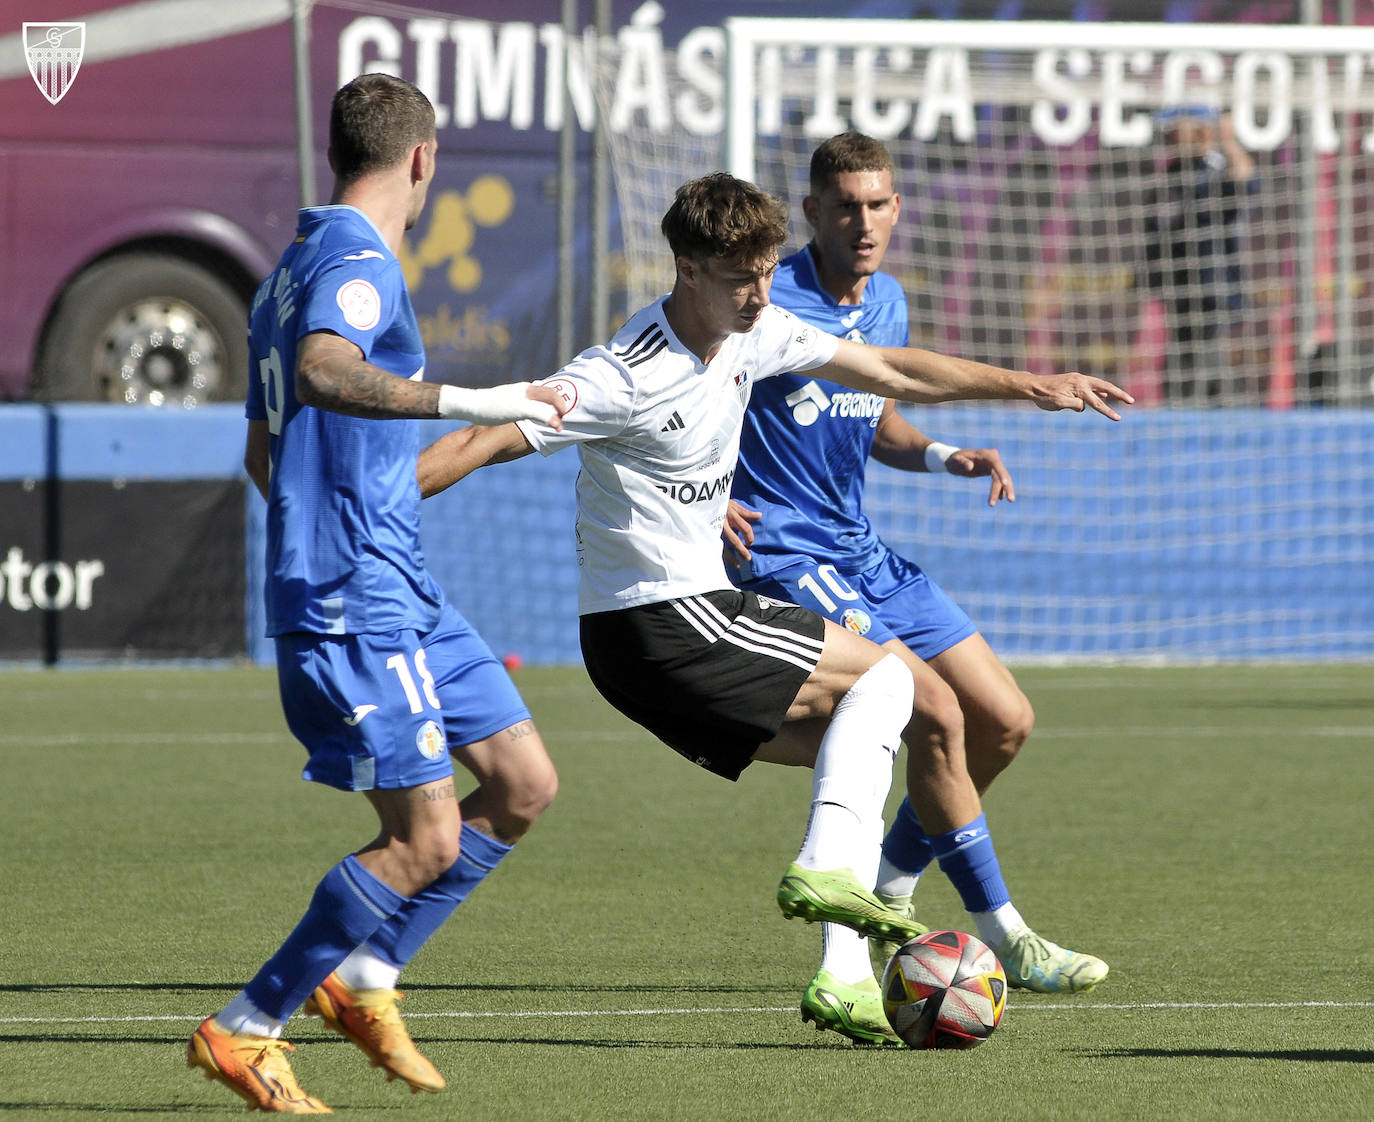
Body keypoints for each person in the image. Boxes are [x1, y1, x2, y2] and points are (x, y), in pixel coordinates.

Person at [416, 171, 1130, 1049]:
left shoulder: (751, 334)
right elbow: (482, 436)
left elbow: (890, 369)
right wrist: (367, 514)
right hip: (666, 619)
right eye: (737, 277)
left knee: (873, 727)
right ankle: (840, 880)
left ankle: (842, 975)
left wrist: (1027, 386)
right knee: (898, 690)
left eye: (763, 272)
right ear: (684, 268)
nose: (759, 293)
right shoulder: (622, 373)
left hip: (653, 642)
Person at [186, 74, 570, 1114]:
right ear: (423, 159)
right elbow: (319, 372)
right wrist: (470, 400)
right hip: (357, 601)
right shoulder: (355, 260)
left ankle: (364, 977)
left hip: (402, 589)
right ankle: (247, 1025)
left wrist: (362, 505)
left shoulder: (289, 266)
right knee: (425, 841)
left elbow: (266, 449)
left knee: (524, 782)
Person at [722, 132, 1109, 1046]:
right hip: (787, 554)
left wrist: (941, 455)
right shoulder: (767, 300)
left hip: (864, 549)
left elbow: (875, 411)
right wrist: (704, 494)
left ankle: (891, 885)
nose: (864, 221)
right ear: (812, 212)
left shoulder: (887, 298)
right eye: (846, 205)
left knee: (1004, 721)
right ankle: (1006, 937)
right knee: (927, 708)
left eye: (879, 204)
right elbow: (696, 394)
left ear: (898, 210)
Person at [1142, 106, 1259, 403]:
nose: (1167, 136)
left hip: (1214, 290)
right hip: (1179, 290)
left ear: (1200, 131)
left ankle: (1223, 425)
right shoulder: (1170, 175)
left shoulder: (1217, 170)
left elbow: (1246, 181)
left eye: (1173, 129)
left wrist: (1228, 139)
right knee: (1182, 366)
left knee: (1207, 367)